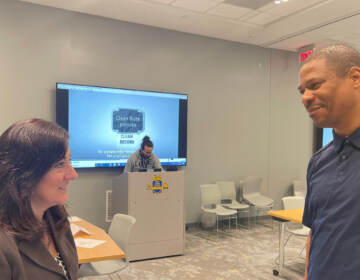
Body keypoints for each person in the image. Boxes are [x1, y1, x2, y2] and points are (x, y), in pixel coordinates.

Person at [298, 45, 360, 279]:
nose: (305, 97)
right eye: (302, 90)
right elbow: (316, 233)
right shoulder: (319, 162)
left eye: (314, 85)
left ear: (355, 77)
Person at [0, 119, 79, 280]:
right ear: (24, 174)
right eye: (60, 164)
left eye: (69, 162)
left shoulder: (57, 220)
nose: (73, 175)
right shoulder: (4, 246)